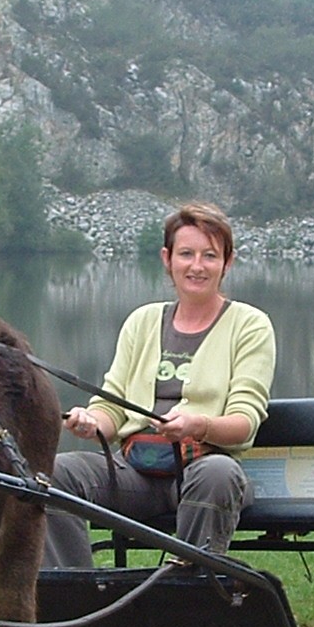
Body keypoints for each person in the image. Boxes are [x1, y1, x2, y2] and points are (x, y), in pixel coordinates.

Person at [42, 202, 276, 567]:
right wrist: (92, 422)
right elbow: (112, 406)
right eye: (186, 254)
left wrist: (199, 425)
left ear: (227, 263)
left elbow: (245, 422)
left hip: (205, 469)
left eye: (209, 256)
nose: (196, 266)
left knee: (219, 473)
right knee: (51, 473)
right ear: (167, 259)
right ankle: (73, 594)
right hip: (133, 472)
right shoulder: (142, 321)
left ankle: (192, 586)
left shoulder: (251, 325)